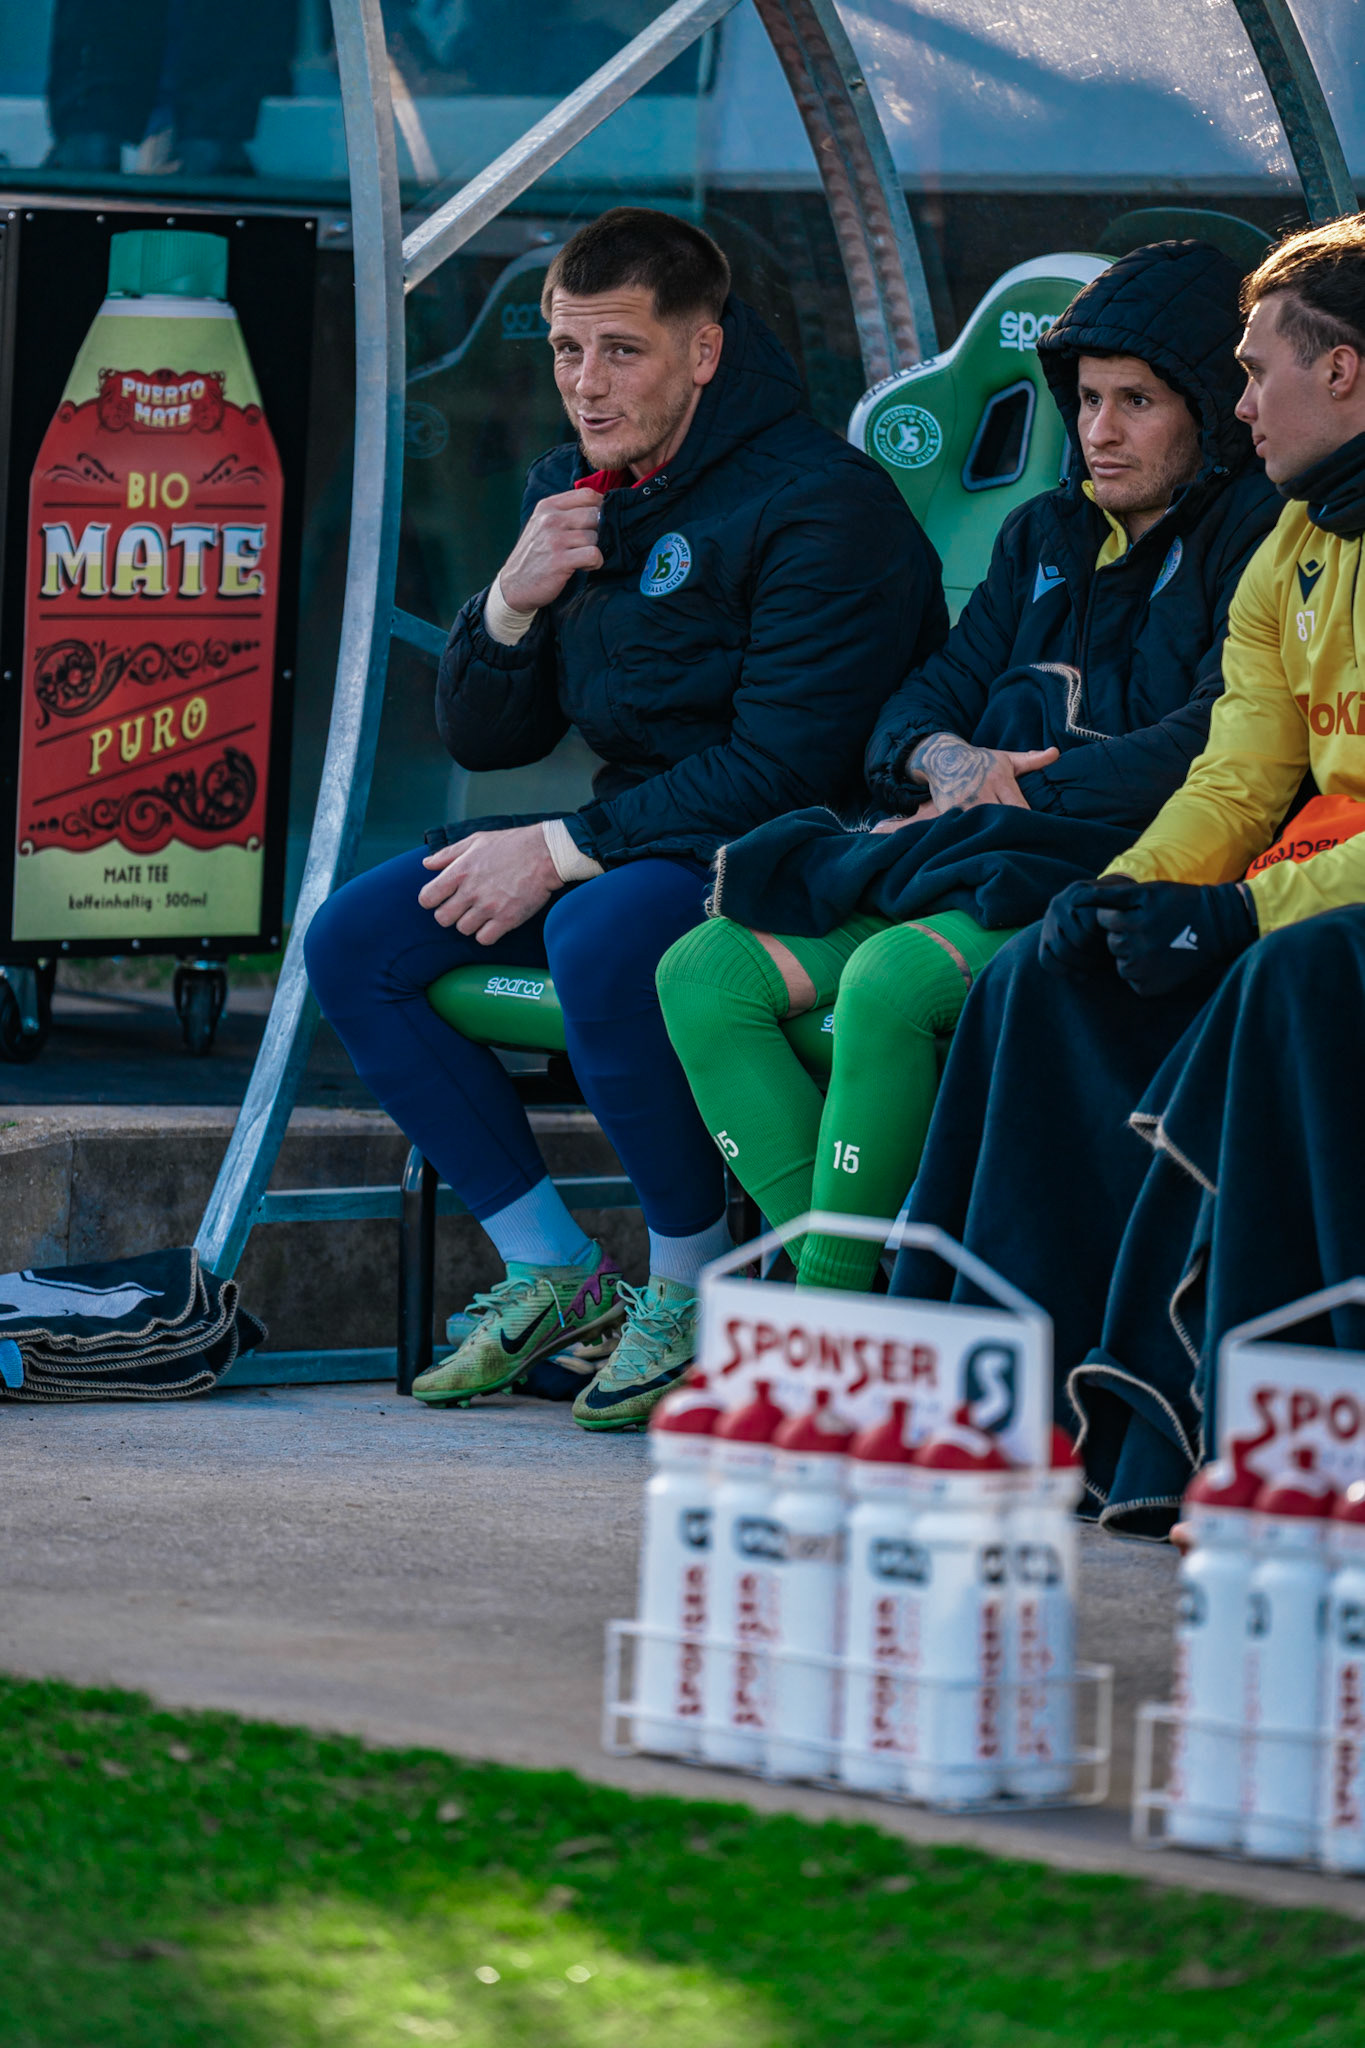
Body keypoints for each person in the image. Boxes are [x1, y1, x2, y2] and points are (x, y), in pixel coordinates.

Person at [306, 207, 944, 1430]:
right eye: (563, 352)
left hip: (804, 847)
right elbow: (491, 738)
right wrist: (507, 602)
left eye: (620, 352)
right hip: (644, 832)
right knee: (357, 940)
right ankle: (555, 1273)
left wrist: (553, 853)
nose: (585, 388)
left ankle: (694, 1279)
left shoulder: (825, 504)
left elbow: (787, 762)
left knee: (600, 936)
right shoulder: (575, 490)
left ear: (702, 351)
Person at [657, 239, 1279, 1294]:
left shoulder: (1260, 535)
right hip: (963, 845)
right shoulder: (1046, 528)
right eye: (1085, 399)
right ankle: (853, 1303)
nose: (1100, 431)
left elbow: (1213, 740)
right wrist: (948, 762)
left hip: (1108, 868)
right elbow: (919, 701)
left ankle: (827, 1321)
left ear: (1214, 410)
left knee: (889, 982)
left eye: (1139, 401)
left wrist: (1018, 789)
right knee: (701, 972)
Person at [889, 215, 1365, 1535]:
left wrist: (1235, 911)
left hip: (1322, 919)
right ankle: (1019, 1420)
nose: (1238, 400)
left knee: (1289, 972)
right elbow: (1237, 777)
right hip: (1303, 885)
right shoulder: (1296, 545)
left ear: (1342, 375)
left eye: (1254, 369)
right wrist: (1142, 891)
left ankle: (1248, 1446)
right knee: (1054, 964)